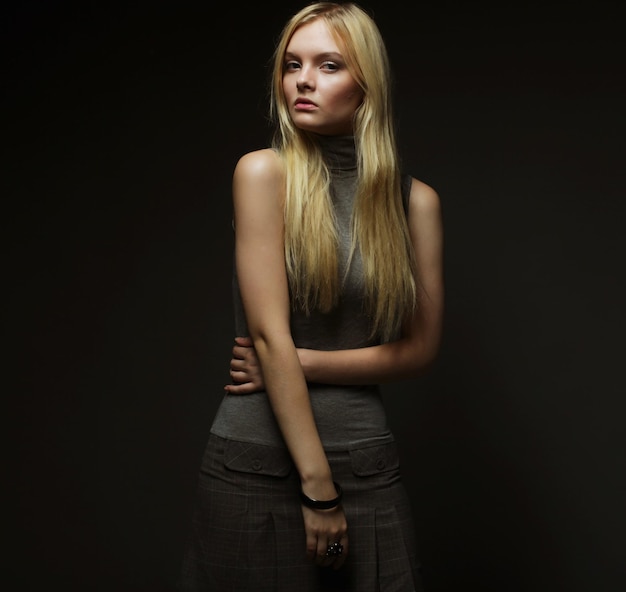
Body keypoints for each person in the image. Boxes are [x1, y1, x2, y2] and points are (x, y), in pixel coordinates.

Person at [179, 2, 443, 590]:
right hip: (255, 463)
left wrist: (299, 364)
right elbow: (270, 334)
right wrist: (319, 489)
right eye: (292, 64)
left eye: (328, 65)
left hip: (367, 462)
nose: (303, 80)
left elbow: (420, 350)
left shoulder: (415, 203)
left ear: (365, 84)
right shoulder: (261, 174)